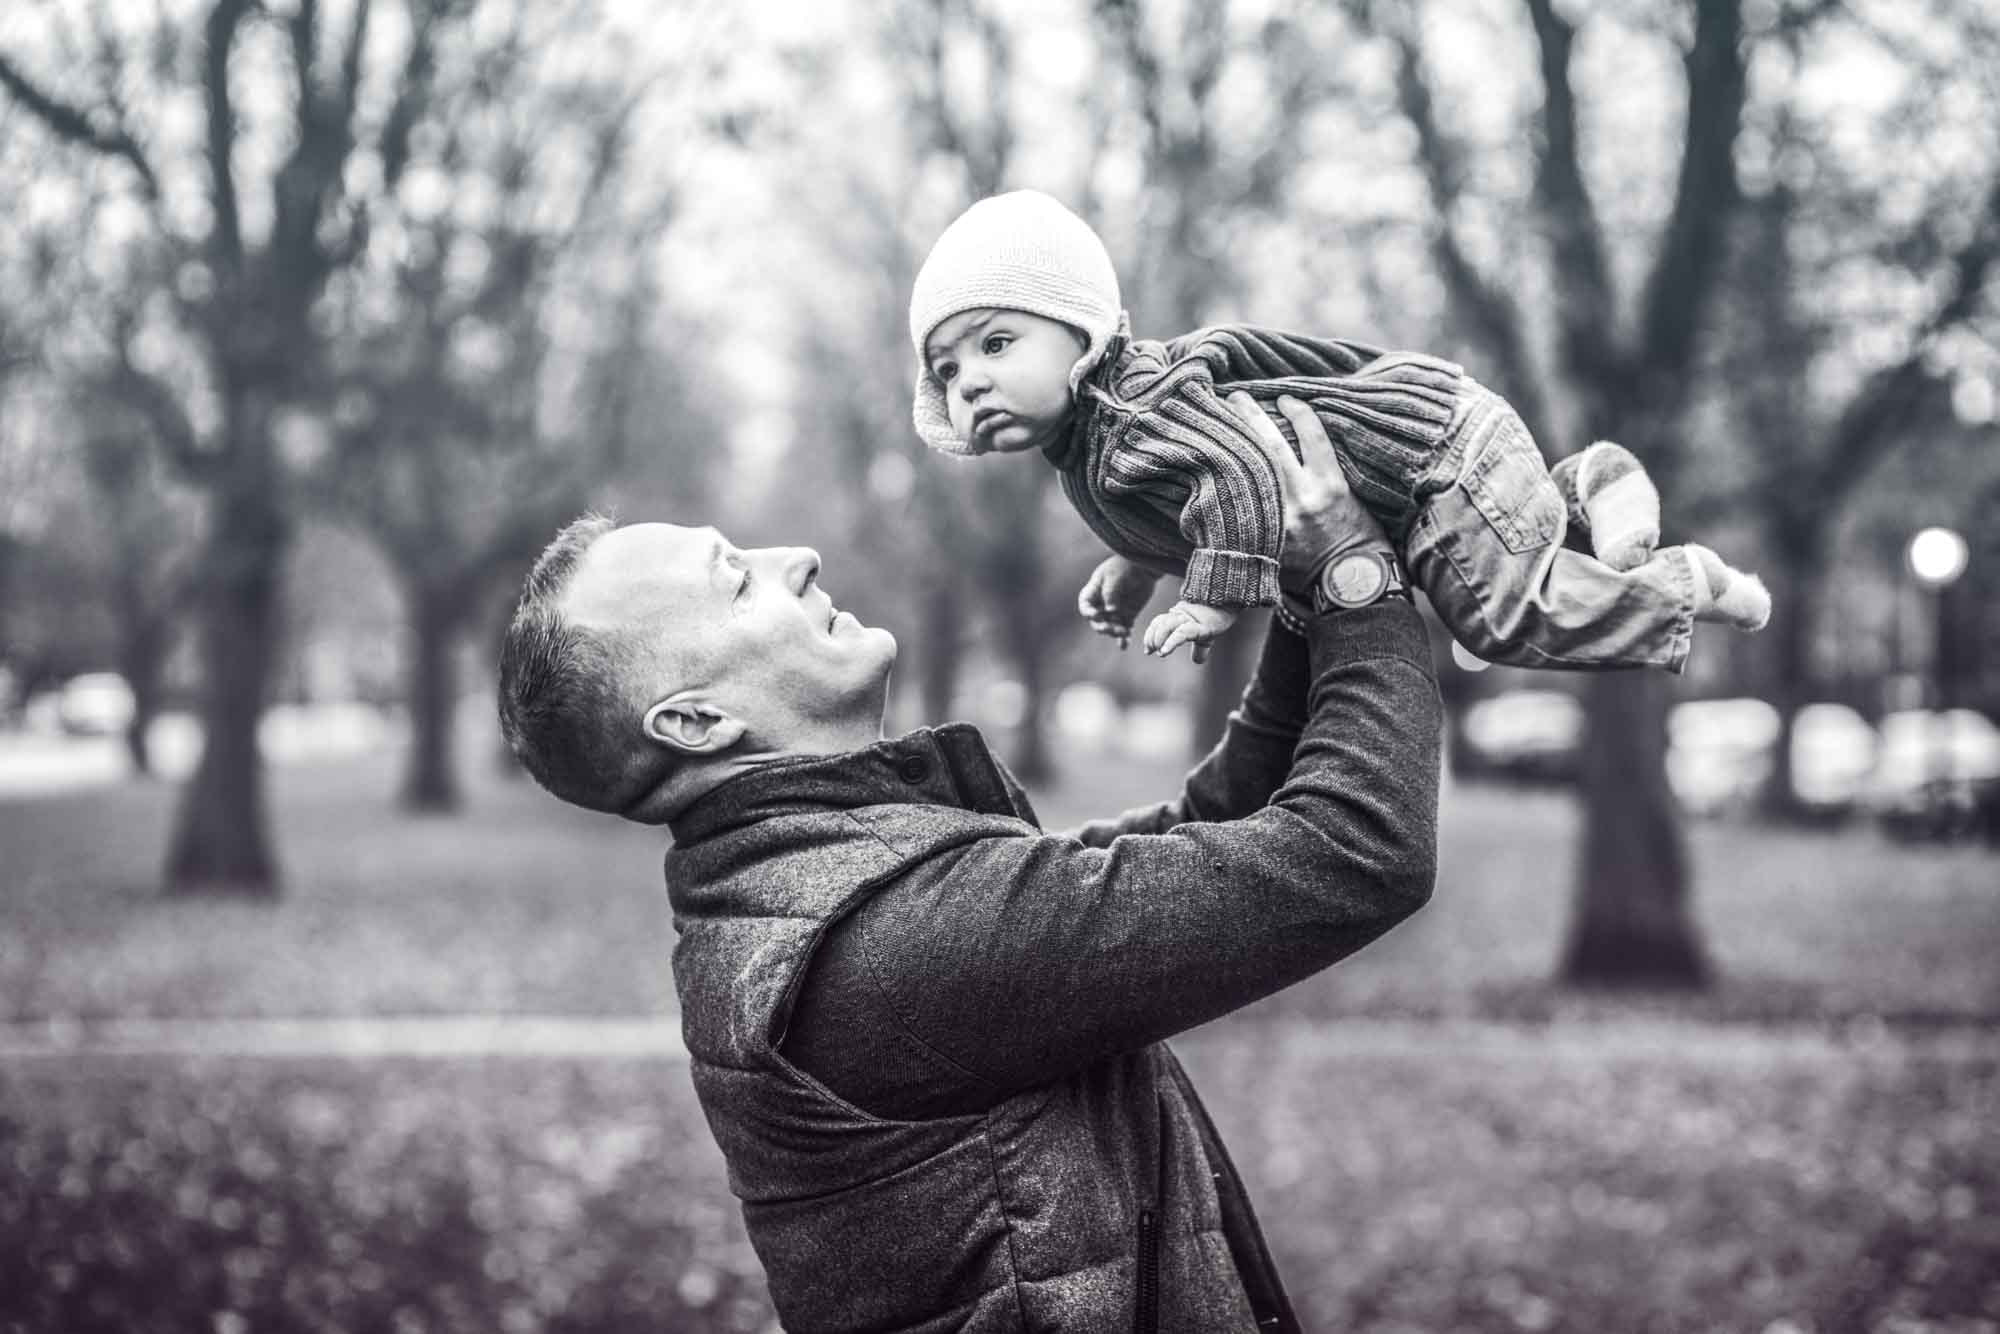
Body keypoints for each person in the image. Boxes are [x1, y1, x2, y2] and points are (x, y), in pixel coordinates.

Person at [496, 394, 1441, 1332]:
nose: (798, 556)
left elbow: (1203, 832)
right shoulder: (885, 946)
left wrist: (1304, 586)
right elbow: (1357, 851)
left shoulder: (829, 889)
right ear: (697, 723)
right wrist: (1359, 581)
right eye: (737, 581)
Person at [910, 188, 1770, 665]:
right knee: (1499, 587)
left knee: (1505, 624)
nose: (972, 381)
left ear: (1084, 330)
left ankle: (1686, 581)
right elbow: (1187, 485)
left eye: (996, 342)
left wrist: (1211, 602)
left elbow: (1238, 471)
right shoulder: (1099, 437)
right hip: (1444, 446)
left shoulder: (1131, 409)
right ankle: (1580, 486)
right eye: (947, 368)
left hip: (1429, 467)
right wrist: (1138, 567)